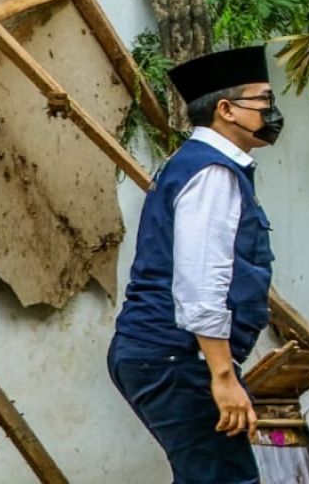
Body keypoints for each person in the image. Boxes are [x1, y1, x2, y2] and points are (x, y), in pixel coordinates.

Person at [107, 45, 285, 484]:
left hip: (161, 354)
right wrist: (222, 376)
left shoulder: (191, 164)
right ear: (226, 109)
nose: (271, 110)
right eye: (263, 100)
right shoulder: (212, 174)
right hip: (176, 356)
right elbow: (200, 286)